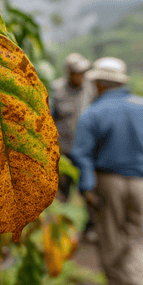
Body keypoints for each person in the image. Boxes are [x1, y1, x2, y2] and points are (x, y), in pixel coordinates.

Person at [71, 57, 143, 285]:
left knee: (110, 233)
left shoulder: (94, 113)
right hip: (140, 181)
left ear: (99, 83)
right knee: (139, 233)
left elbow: (82, 154)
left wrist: (87, 186)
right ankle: (137, 278)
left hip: (108, 180)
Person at [51, 53, 95, 202]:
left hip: (84, 148)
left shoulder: (90, 90)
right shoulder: (57, 90)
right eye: (77, 73)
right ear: (69, 73)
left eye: (83, 73)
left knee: (87, 188)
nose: (81, 76)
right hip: (64, 149)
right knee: (62, 187)